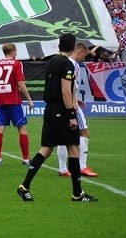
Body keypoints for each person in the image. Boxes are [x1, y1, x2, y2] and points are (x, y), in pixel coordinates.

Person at [17, 33, 98, 202]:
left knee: (46, 149)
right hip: (62, 109)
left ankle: (25, 186)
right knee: (74, 149)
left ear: (59, 45)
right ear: (73, 46)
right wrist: (71, 115)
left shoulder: (52, 60)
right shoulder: (67, 63)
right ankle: (77, 193)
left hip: (50, 109)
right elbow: (65, 90)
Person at [0, 43, 34, 166]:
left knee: (0, 129)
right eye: (16, 51)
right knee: (22, 129)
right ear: (12, 51)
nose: (16, 54)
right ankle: (25, 159)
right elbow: (20, 83)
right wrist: (29, 99)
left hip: (1, 101)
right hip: (14, 101)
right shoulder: (17, 64)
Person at [56, 43, 98, 177]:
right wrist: (74, 103)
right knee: (84, 132)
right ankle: (82, 166)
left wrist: (76, 97)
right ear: (79, 52)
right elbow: (68, 87)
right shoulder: (73, 65)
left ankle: (63, 169)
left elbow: (66, 86)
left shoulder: (62, 62)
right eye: (84, 55)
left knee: (62, 137)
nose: (84, 58)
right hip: (70, 105)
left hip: (60, 104)